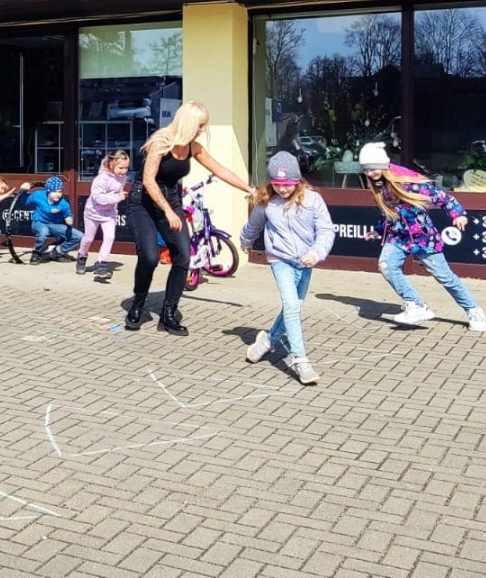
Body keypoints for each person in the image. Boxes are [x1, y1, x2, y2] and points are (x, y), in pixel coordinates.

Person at [123, 101, 252, 335]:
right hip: (142, 202)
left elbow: (220, 170)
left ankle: (168, 315)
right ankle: (137, 305)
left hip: (170, 199)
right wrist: (169, 212)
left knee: (183, 254)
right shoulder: (160, 143)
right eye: (200, 125)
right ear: (188, 123)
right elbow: (149, 181)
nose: (203, 130)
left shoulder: (193, 147)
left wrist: (249, 189)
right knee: (150, 257)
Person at [359, 142, 486, 333]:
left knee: (445, 277)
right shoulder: (377, 186)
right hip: (398, 237)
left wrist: (457, 214)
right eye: (367, 170)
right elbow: (388, 212)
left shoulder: (407, 182)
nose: (371, 173)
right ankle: (416, 305)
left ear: (384, 165)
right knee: (386, 265)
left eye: (374, 168)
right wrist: (379, 230)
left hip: (422, 237)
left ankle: (474, 310)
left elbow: (442, 196)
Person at [239, 152, 335, 385]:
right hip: (279, 259)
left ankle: (267, 341)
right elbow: (254, 224)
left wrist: (316, 253)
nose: (283, 189)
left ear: (298, 181)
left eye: (288, 184)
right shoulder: (266, 202)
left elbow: (326, 230)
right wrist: (245, 240)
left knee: (294, 308)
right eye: (278, 184)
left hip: (305, 261)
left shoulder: (312, 200)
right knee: (291, 306)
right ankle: (301, 361)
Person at [78, 149, 130, 283]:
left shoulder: (123, 178)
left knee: (110, 237)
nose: (124, 171)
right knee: (88, 238)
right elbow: (98, 197)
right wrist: (116, 197)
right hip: (93, 212)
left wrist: (117, 199)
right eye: (121, 168)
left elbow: (118, 192)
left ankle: (101, 264)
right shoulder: (101, 179)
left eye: (126, 168)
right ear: (111, 164)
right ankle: (82, 256)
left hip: (109, 214)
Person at [24, 175, 82, 264]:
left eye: (60, 191)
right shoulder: (38, 195)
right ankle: (36, 253)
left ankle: (57, 252)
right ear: (48, 190)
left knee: (79, 236)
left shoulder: (63, 203)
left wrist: (69, 220)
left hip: (55, 226)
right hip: (39, 223)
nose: (58, 194)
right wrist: (24, 190)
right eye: (54, 191)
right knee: (43, 231)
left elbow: (68, 216)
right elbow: (24, 201)